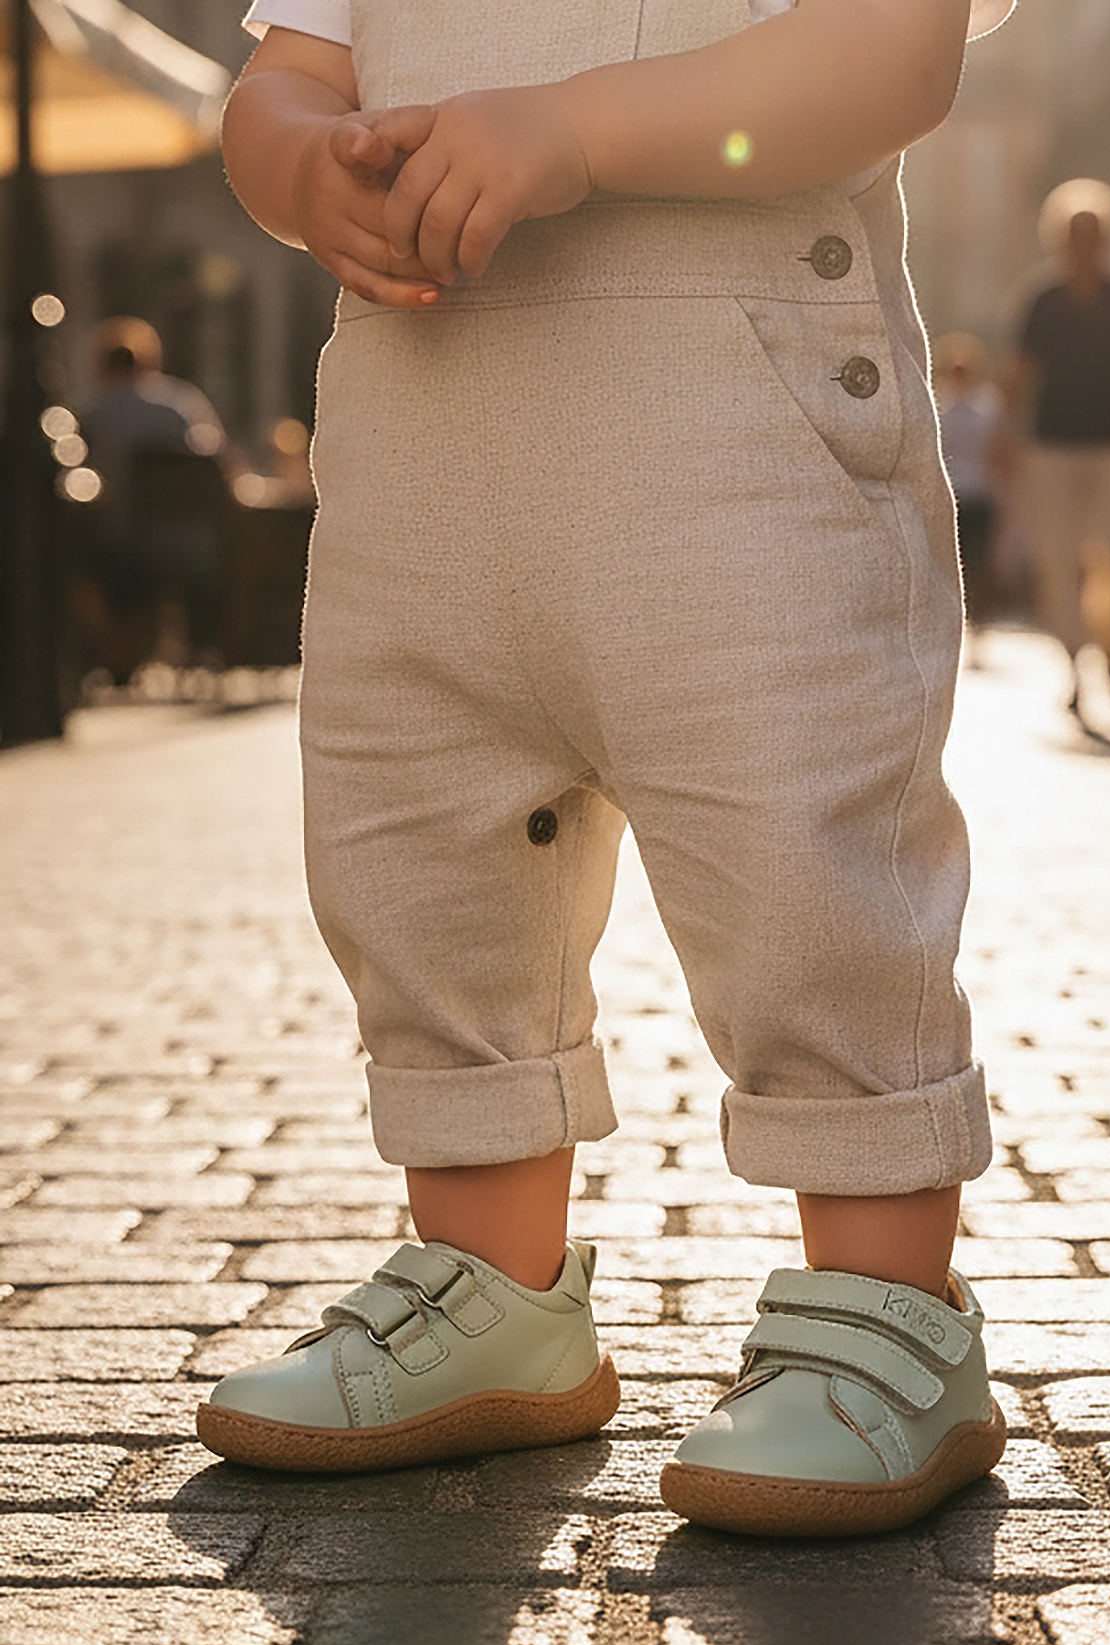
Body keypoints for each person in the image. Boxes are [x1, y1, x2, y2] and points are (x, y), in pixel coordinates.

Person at [193, 0, 1015, 1538]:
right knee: (414, 854)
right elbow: (282, 78)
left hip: (743, 445)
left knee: (804, 864)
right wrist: (310, 170)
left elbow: (889, 58)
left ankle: (891, 1306)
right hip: (425, 450)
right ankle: (493, 1289)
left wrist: (573, 131)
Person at [1001, 182, 1110, 718]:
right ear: (1058, 239)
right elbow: (1020, 377)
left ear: (1108, 238)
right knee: (1057, 559)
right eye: (1075, 235)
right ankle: (1073, 663)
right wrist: (1005, 435)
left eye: (1093, 235)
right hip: (1051, 447)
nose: (1084, 245)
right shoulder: (1041, 300)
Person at [77, 319, 228, 674]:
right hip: (192, 546)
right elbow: (217, 464)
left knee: (75, 559)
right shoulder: (181, 406)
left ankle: (109, 652)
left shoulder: (96, 413)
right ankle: (199, 648)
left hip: (124, 543)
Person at [933, 332, 1002, 628]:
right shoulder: (938, 406)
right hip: (949, 491)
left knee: (978, 561)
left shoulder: (988, 407)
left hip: (979, 493)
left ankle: (980, 619)